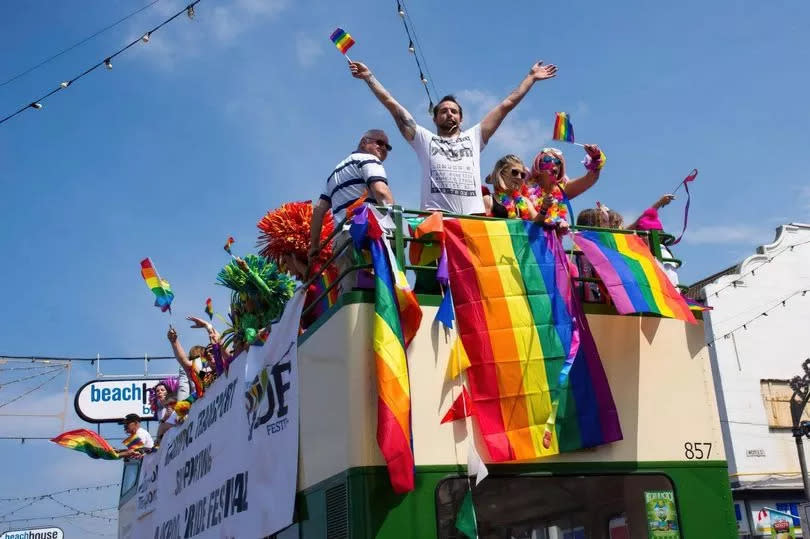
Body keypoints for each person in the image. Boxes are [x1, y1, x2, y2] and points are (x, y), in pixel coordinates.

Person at [349, 60, 557, 215]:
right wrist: (369, 77)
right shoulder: (425, 139)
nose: (449, 114)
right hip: (437, 221)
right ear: (435, 118)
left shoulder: (474, 137)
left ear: (461, 118)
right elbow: (392, 105)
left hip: (474, 222)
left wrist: (530, 78)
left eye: (454, 111)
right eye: (444, 111)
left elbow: (506, 105)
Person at [309, 130, 394, 292]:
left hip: (341, 241)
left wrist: (313, 246)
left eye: (387, 147)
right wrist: (396, 221)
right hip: (367, 236)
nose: (383, 148)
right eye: (379, 143)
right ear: (364, 142)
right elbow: (381, 192)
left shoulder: (334, 173)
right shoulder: (369, 159)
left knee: (350, 293)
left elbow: (319, 210)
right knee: (384, 291)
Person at [529, 146, 605, 227]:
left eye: (558, 162)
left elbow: (589, 179)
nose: (554, 163)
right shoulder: (527, 189)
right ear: (538, 165)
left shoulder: (562, 190)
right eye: (547, 159)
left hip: (553, 239)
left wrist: (596, 158)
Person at [626, 194, 680, 285]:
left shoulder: (662, 252)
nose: (643, 237)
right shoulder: (639, 253)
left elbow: (672, 283)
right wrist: (659, 203)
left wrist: (659, 203)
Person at [483, 155, 535, 219]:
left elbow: (538, 222)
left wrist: (544, 208)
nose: (519, 177)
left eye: (522, 175)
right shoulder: (488, 200)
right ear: (501, 173)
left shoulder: (525, 201)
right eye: (515, 172)